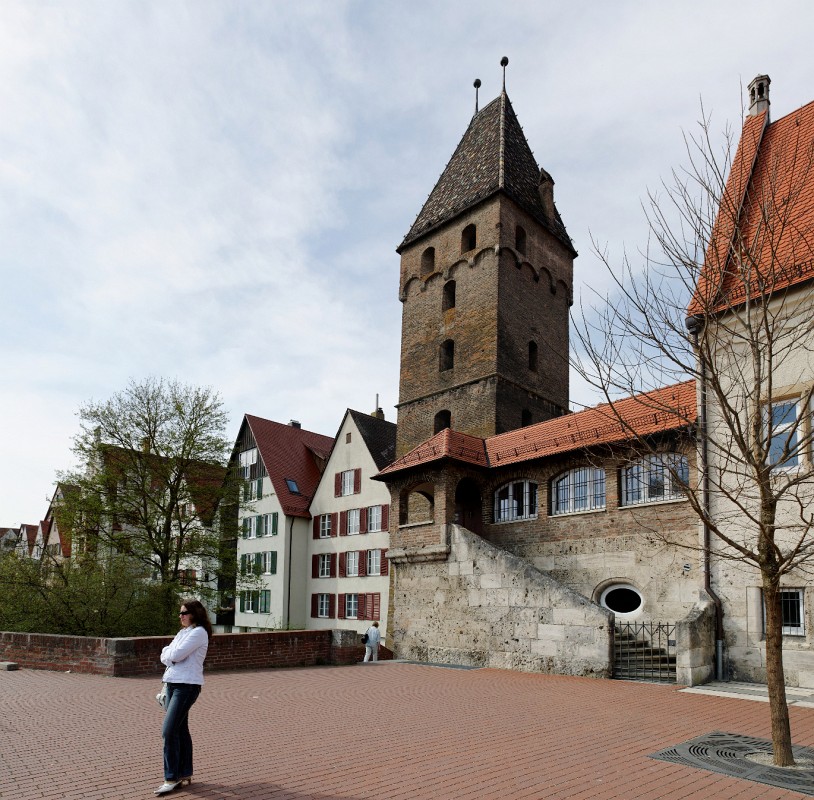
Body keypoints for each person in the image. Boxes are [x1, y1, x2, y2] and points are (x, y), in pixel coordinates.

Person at [154, 599, 212, 796]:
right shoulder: (183, 632)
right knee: (180, 729)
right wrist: (169, 655)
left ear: (195, 613)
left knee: (168, 731)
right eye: (180, 613)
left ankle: (171, 778)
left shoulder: (199, 633)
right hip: (171, 683)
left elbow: (175, 655)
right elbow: (166, 653)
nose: (181, 616)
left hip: (187, 686)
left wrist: (170, 655)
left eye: (184, 612)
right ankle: (185, 772)